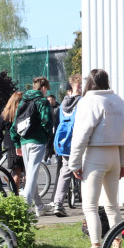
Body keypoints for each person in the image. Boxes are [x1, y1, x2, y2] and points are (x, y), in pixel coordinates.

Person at [68, 68, 124, 248]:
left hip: (95, 156)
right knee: (112, 206)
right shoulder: (118, 101)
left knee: (90, 207)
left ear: (89, 82)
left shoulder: (88, 101)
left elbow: (81, 134)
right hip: (114, 155)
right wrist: (123, 161)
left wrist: (74, 162)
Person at [9, 76, 54, 217]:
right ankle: (26, 209)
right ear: (44, 88)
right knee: (32, 175)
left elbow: (14, 125)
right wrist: (46, 138)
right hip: (37, 141)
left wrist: (17, 143)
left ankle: (39, 206)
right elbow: (47, 122)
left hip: (23, 141)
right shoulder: (42, 101)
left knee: (30, 173)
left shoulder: (24, 101)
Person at [51, 73, 83, 217]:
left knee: (65, 171)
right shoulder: (82, 102)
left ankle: (58, 203)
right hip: (77, 142)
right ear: (79, 86)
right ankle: (91, 205)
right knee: (85, 172)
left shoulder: (63, 103)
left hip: (63, 142)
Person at [0, 91, 24, 189]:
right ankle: (18, 194)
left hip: (9, 144)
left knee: (16, 171)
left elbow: (0, 126)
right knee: (22, 170)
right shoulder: (21, 113)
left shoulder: (5, 113)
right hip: (20, 142)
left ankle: (16, 194)